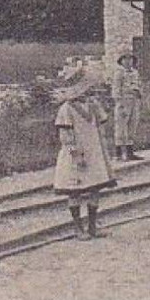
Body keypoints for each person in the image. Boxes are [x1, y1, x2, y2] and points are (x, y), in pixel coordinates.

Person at [52, 87, 117, 239]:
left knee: (95, 188)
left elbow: (101, 126)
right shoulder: (66, 109)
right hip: (76, 154)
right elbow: (65, 135)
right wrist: (75, 153)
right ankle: (78, 228)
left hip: (93, 152)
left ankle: (93, 226)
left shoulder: (93, 105)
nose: (83, 93)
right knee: (75, 190)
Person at [111, 51, 144, 161]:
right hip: (123, 102)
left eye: (130, 59)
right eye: (125, 59)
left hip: (134, 101)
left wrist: (139, 94)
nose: (128, 61)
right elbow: (116, 90)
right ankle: (119, 153)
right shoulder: (119, 73)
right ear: (121, 61)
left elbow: (139, 85)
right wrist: (119, 104)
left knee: (132, 126)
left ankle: (130, 152)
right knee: (121, 127)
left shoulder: (135, 72)